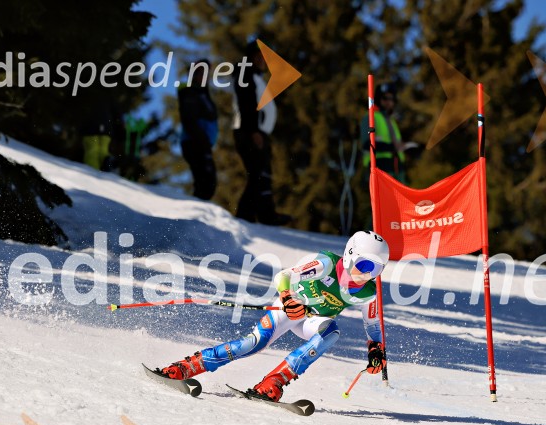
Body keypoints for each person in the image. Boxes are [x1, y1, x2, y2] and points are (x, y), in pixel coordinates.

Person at [155, 231, 391, 402]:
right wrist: (288, 299)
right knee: (253, 344)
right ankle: (187, 367)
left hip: (312, 320)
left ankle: (273, 382)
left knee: (331, 332)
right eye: (365, 264)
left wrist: (376, 351)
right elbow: (284, 276)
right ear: (350, 255)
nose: (367, 274)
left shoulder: (368, 293)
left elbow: (373, 327)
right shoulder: (326, 264)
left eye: (376, 269)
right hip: (287, 308)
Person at [232, 40, 291, 225]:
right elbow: (247, 103)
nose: (262, 61)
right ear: (249, 57)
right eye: (258, 56)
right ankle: (256, 216)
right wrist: (253, 131)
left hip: (256, 131)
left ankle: (253, 215)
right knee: (258, 173)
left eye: (264, 57)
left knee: (260, 174)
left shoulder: (254, 76)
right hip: (249, 131)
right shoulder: (245, 73)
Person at [178, 59, 218, 200]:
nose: (204, 76)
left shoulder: (203, 94)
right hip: (195, 142)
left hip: (203, 143)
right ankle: (195, 214)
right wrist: (201, 138)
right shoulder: (190, 93)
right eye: (201, 72)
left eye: (207, 73)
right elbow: (189, 119)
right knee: (205, 182)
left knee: (207, 182)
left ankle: (197, 212)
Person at [361, 82, 407, 183]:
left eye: (391, 99)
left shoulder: (391, 120)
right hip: (379, 166)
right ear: (379, 99)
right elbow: (366, 144)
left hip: (397, 167)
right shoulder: (371, 117)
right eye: (385, 98)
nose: (388, 102)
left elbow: (398, 144)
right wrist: (389, 147)